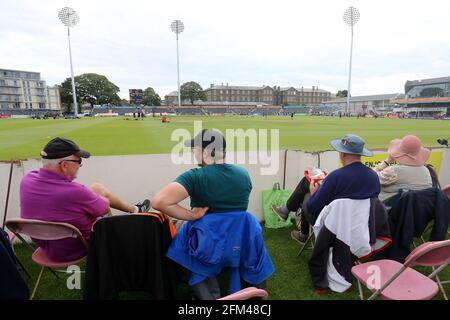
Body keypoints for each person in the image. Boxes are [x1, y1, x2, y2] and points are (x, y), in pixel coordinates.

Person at [152, 129, 255, 299]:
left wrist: (192, 215)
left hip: (207, 246)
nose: (193, 153)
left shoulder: (195, 177)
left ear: (205, 152)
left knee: (177, 229)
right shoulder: (243, 174)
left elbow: (159, 202)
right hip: (237, 242)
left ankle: (197, 286)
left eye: (195, 149)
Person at [20, 137, 150, 262]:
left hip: (47, 248)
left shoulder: (27, 180)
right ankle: (114, 250)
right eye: (78, 162)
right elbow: (104, 207)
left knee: (95, 190)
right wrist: (89, 198)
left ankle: (135, 209)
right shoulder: (75, 191)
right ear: (64, 165)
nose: (80, 166)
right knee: (98, 190)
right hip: (77, 248)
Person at [291, 134, 381, 242]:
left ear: (342, 154)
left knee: (307, 198)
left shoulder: (335, 176)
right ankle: (302, 232)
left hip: (334, 226)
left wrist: (313, 193)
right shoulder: (374, 176)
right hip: (361, 226)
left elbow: (313, 207)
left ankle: (303, 234)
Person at [271, 167, 326, 242]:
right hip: (330, 213)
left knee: (306, 183)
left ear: (343, 155)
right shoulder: (343, 177)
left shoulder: (339, 175)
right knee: (307, 193)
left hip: (322, 215)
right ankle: (303, 234)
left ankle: (285, 211)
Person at [374, 135, 433, 203]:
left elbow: (371, 177)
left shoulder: (394, 171)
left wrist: (387, 162)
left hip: (392, 209)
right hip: (421, 208)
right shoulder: (426, 170)